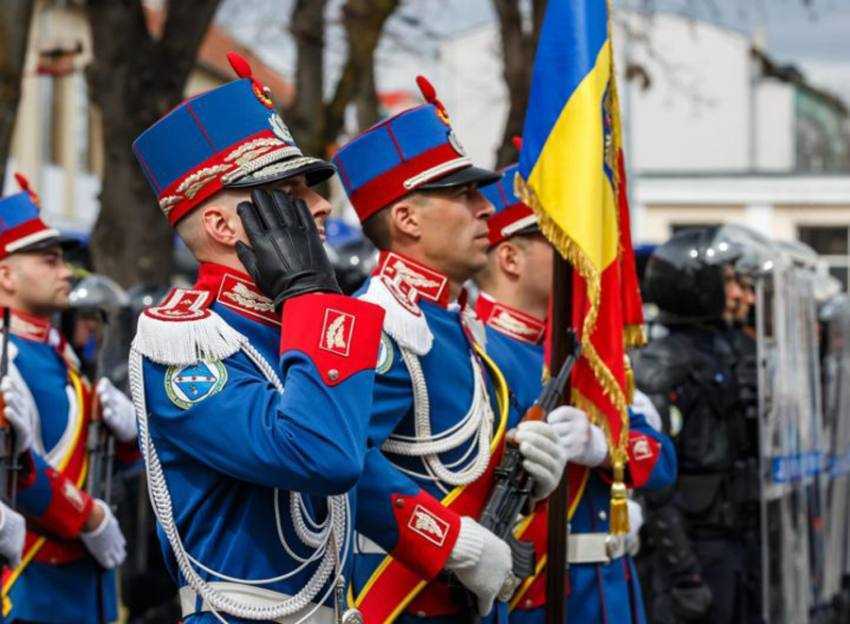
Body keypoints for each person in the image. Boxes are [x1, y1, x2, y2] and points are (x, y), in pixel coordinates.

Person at [129, 52, 385, 623]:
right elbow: (322, 454)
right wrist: (313, 293)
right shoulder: (188, 343)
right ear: (223, 227)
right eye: (291, 194)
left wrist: (456, 544)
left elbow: (364, 466)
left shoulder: (286, 320)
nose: (321, 205)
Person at [331, 76, 568, 622]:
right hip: (404, 604)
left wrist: (531, 480)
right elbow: (340, 464)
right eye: (463, 194)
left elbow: (457, 471)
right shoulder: (377, 325)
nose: (486, 209)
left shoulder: (452, 322)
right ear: (407, 220)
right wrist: (450, 542)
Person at [473, 164, 676, 623]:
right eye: (561, 243)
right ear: (511, 258)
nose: (580, 258)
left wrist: (603, 448)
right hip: (537, 596)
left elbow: (662, 464)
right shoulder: (479, 350)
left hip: (612, 589)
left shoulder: (587, 354)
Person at [0, 177, 132, 624]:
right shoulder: (8, 355)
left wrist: (131, 437)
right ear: (6, 275)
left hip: (82, 586)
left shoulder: (58, 351)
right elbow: (16, 465)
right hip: (34, 583)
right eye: (50, 261)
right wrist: (90, 517)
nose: (65, 273)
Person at [633, 227, 756, 624]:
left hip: (732, 540)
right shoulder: (660, 364)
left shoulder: (725, 349)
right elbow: (656, 483)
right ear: (696, 285)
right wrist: (685, 574)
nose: (740, 295)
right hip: (692, 551)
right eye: (729, 282)